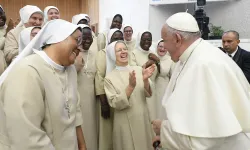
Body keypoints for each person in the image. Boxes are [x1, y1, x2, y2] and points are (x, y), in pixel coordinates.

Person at [152, 12, 250, 150]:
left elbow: (205, 141)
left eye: (164, 40)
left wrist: (163, 130)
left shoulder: (203, 65)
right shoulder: (192, 56)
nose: (163, 46)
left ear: (177, 39)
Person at [0, 19, 87, 150]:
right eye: (77, 40)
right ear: (59, 37)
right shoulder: (27, 72)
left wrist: (82, 145)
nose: (80, 47)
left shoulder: (70, 70)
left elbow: (75, 113)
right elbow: (27, 138)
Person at [104, 40, 155, 150]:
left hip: (142, 119)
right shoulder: (109, 78)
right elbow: (115, 103)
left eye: (125, 49)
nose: (123, 52)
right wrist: (130, 87)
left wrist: (145, 80)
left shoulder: (138, 69)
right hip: (124, 123)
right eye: (119, 50)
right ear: (113, 54)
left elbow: (148, 94)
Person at [95, 28, 123, 150]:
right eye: (115, 38)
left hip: (121, 98)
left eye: (120, 38)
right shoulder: (103, 53)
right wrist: (104, 103)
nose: (117, 41)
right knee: (107, 131)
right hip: (106, 98)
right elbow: (99, 77)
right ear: (109, 39)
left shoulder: (123, 52)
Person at [74, 24, 98, 150]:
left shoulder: (95, 54)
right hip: (77, 97)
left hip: (92, 99)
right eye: (85, 37)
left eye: (90, 37)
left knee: (91, 127)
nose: (88, 40)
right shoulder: (73, 53)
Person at [131, 31, 159, 121]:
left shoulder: (153, 53)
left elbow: (157, 73)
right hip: (140, 90)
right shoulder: (133, 53)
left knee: (152, 117)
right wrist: (147, 64)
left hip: (152, 89)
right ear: (140, 40)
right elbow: (133, 71)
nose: (147, 41)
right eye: (144, 39)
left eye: (149, 39)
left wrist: (157, 62)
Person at [154, 40, 174, 119]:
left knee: (161, 111)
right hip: (152, 87)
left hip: (164, 89)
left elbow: (172, 77)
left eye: (165, 47)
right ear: (157, 47)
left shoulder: (170, 60)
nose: (162, 49)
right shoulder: (151, 57)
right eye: (160, 46)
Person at [0, 5, 7, 75]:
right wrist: (6, 36)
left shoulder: (8, 29)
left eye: (1, 13)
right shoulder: (8, 31)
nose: (0, 16)